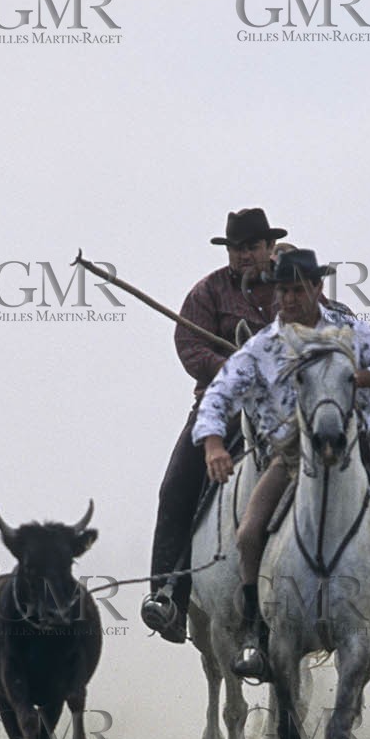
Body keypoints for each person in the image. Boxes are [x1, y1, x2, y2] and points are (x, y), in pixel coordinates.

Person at [193, 248, 370, 680]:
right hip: (290, 458)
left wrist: (359, 377)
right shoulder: (264, 347)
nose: (288, 300)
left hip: (357, 451)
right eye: (282, 291)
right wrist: (213, 442)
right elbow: (219, 394)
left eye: (297, 290)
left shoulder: (350, 333)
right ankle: (254, 635)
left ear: (317, 289)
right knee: (249, 533)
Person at [140, 208, 287, 642]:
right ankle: (168, 593)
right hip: (220, 409)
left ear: (268, 248)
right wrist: (234, 368)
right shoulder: (207, 292)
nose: (244, 255)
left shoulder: (292, 287)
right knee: (175, 487)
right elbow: (188, 345)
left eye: (252, 247)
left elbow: (332, 319)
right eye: (237, 248)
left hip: (288, 410)